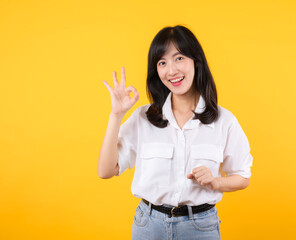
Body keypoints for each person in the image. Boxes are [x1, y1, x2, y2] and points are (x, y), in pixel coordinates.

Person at [98, 25, 253, 240]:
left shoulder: (224, 120)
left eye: (179, 58)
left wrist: (215, 182)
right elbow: (105, 170)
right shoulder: (144, 118)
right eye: (162, 63)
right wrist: (116, 115)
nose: (171, 70)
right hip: (148, 226)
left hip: (200, 228)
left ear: (196, 62)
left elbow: (242, 176)